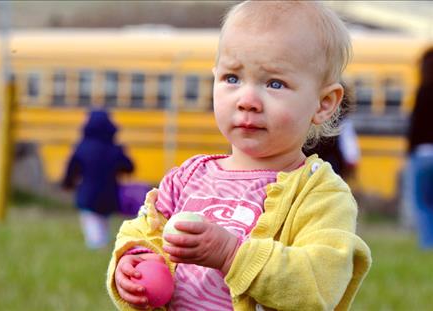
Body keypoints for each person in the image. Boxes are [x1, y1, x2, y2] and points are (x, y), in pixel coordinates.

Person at [106, 1, 371, 310]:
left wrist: (231, 255)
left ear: (324, 103)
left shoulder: (321, 194)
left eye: (275, 83)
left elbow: (317, 286)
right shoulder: (187, 177)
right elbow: (144, 233)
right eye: (232, 78)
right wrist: (132, 262)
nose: (247, 100)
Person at [62, 109, 134, 249]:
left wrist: (67, 184)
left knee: (93, 231)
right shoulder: (114, 149)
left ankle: (97, 248)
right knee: (104, 226)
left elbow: (72, 168)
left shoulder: (82, 148)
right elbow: (129, 167)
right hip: (109, 196)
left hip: (88, 197)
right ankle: (104, 247)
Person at [407, 47, 433, 248]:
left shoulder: (422, 91)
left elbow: (414, 126)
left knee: (423, 203)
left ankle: (427, 243)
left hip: (422, 153)